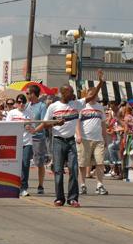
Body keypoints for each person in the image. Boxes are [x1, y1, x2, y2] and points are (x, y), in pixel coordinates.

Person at [31, 70, 105, 207]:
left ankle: (73, 198)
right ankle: (59, 198)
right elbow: (46, 123)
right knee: (58, 170)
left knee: (73, 169)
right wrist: (54, 123)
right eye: (70, 92)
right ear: (63, 93)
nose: (73, 94)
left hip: (71, 141)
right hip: (58, 141)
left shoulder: (76, 104)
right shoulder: (53, 107)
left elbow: (92, 96)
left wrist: (100, 82)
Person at [76, 94, 109, 196]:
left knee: (100, 162)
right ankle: (82, 185)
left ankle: (99, 185)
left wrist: (105, 138)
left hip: (98, 139)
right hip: (84, 139)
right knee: (82, 163)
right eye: (91, 95)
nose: (93, 97)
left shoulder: (100, 107)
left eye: (95, 95)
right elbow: (77, 122)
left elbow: (103, 124)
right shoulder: (81, 106)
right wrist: (78, 135)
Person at [6, 94, 35, 196]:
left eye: (23, 102)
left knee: (25, 164)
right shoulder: (11, 113)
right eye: (19, 102)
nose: (21, 104)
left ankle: (23, 188)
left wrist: (29, 127)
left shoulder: (30, 113)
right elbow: (7, 127)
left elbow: (33, 129)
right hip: (15, 142)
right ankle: (12, 185)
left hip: (27, 142)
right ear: (16, 103)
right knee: (13, 165)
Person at [25, 85, 47, 195]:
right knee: (25, 162)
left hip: (38, 138)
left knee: (39, 163)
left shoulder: (42, 106)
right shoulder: (27, 105)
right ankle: (24, 184)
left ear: (33, 94)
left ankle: (40, 185)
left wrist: (35, 130)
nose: (26, 95)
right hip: (27, 138)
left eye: (28, 93)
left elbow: (44, 122)